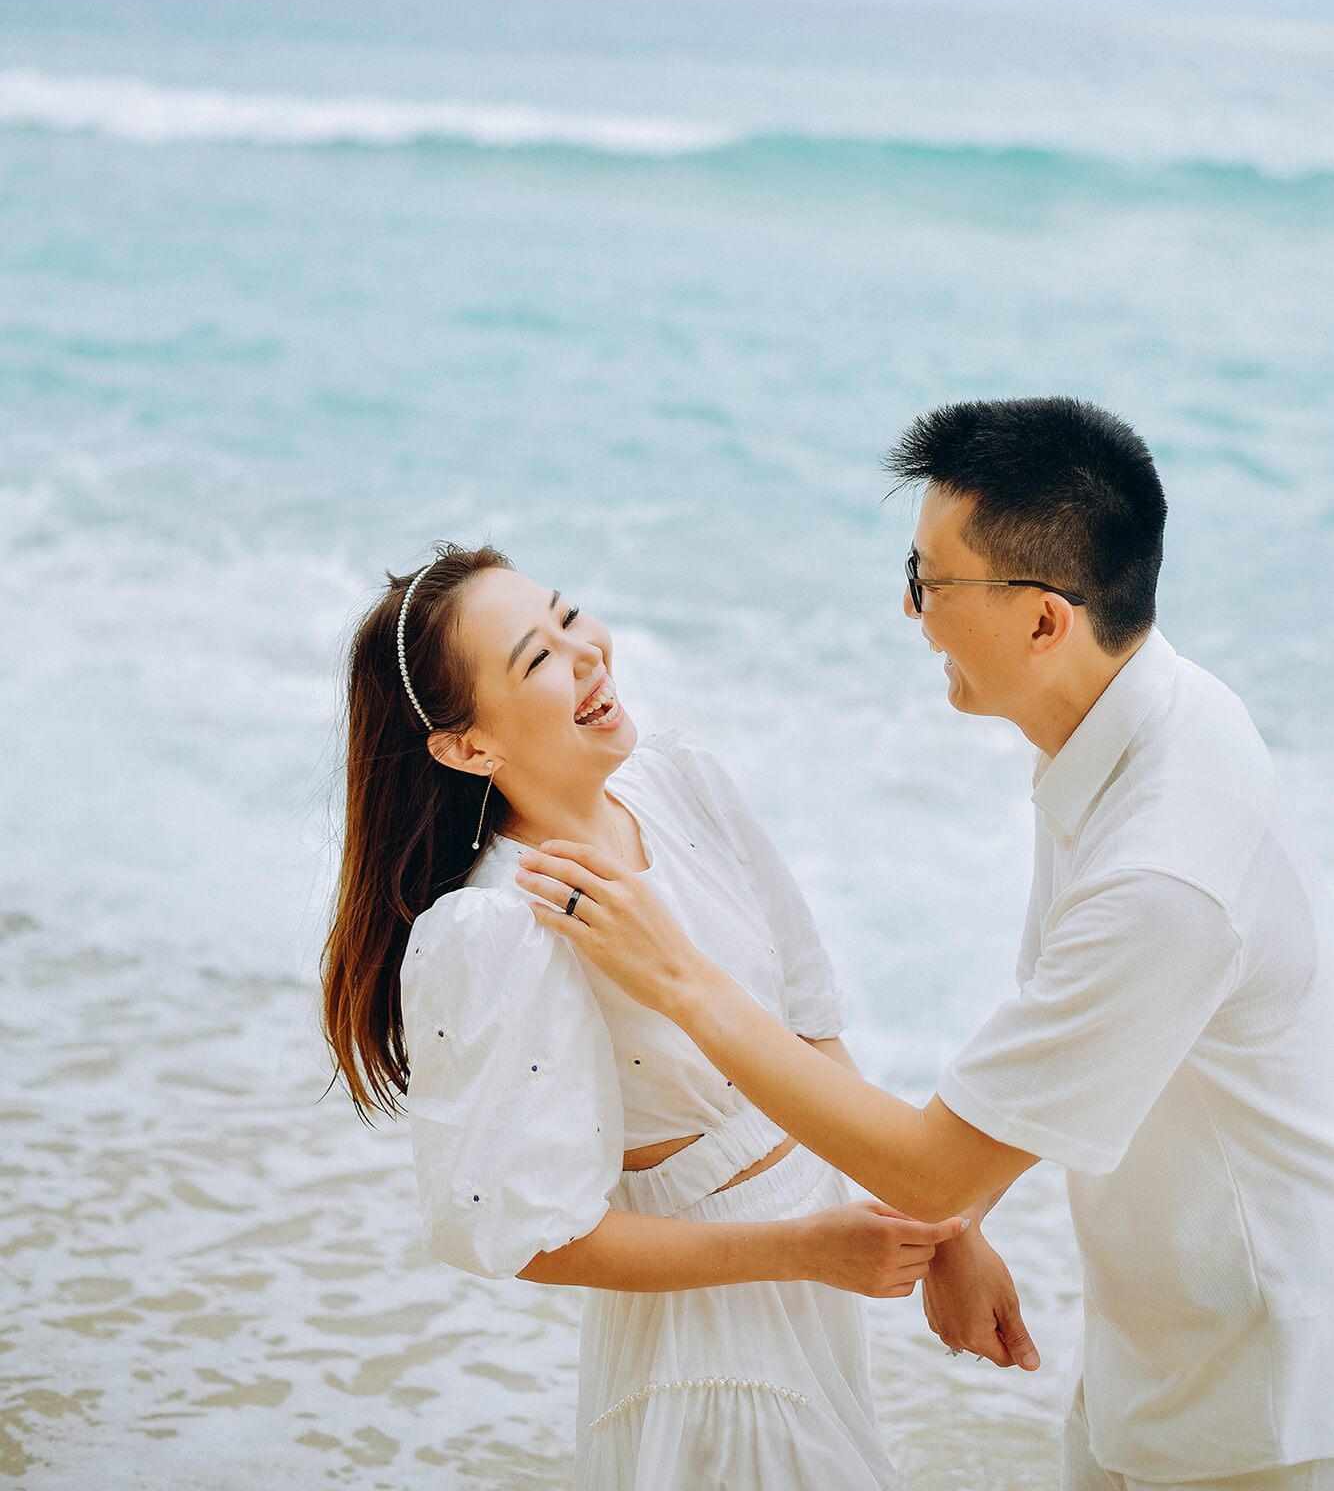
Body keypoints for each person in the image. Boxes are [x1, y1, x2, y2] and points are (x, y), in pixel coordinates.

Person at [517, 397, 1334, 1491]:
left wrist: (676, 977)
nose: (908, 611)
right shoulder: (1137, 717)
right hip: (1168, 1342)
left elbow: (931, 1159)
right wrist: (957, 1224)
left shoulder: (1158, 870)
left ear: (1043, 620)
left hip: (1260, 1391)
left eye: (926, 582)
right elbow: (1032, 1083)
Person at [321, 542, 967, 1491]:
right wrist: (800, 1251)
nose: (585, 654)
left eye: (568, 616)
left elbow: (808, 1023)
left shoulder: (675, 784)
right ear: (467, 747)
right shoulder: (500, 927)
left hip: (824, 1283)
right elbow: (530, 1237)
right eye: (536, 660)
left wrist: (949, 1231)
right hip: (709, 1350)